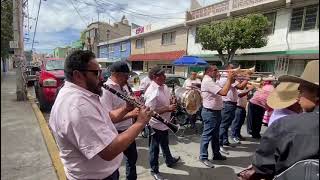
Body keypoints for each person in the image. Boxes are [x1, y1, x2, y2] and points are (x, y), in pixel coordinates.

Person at [49, 50, 152, 180]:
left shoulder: (80, 95)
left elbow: (106, 118)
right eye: (96, 73)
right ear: (78, 75)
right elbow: (108, 151)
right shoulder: (78, 106)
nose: (101, 77)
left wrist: (126, 108)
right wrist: (140, 122)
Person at [238, 60, 319, 180]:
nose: (298, 97)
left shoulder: (285, 125)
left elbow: (262, 167)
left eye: (301, 91)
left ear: (317, 95)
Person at [100, 61, 140, 180]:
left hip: (127, 129)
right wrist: (130, 114)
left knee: (132, 158)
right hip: (115, 132)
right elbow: (108, 119)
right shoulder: (106, 91)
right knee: (114, 164)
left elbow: (128, 104)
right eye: (126, 76)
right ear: (116, 74)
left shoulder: (124, 86)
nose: (128, 79)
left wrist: (136, 102)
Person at [144, 66, 180, 180]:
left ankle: (169, 160)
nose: (165, 77)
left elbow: (168, 101)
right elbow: (149, 111)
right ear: (155, 77)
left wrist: (172, 102)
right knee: (154, 149)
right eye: (162, 75)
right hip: (155, 125)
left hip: (165, 123)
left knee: (165, 144)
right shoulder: (152, 91)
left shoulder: (164, 86)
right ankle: (154, 171)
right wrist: (167, 108)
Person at [199, 65, 236, 168]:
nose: (218, 72)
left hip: (215, 112)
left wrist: (231, 80)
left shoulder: (212, 80)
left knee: (215, 136)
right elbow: (224, 92)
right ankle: (203, 157)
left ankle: (216, 154)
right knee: (207, 136)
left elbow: (224, 89)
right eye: (215, 70)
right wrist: (229, 79)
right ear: (208, 71)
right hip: (210, 113)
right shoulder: (208, 81)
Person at [217, 63, 248, 154]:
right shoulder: (226, 78)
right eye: (232, 69)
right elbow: (241, 86)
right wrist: (246, 78)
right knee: (223, 125)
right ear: (227, 69)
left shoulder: (229, 78)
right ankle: (219, 145)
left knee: (226, 125)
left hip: (231, 104)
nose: (235, 70)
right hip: (228, 104)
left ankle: (225, 141)